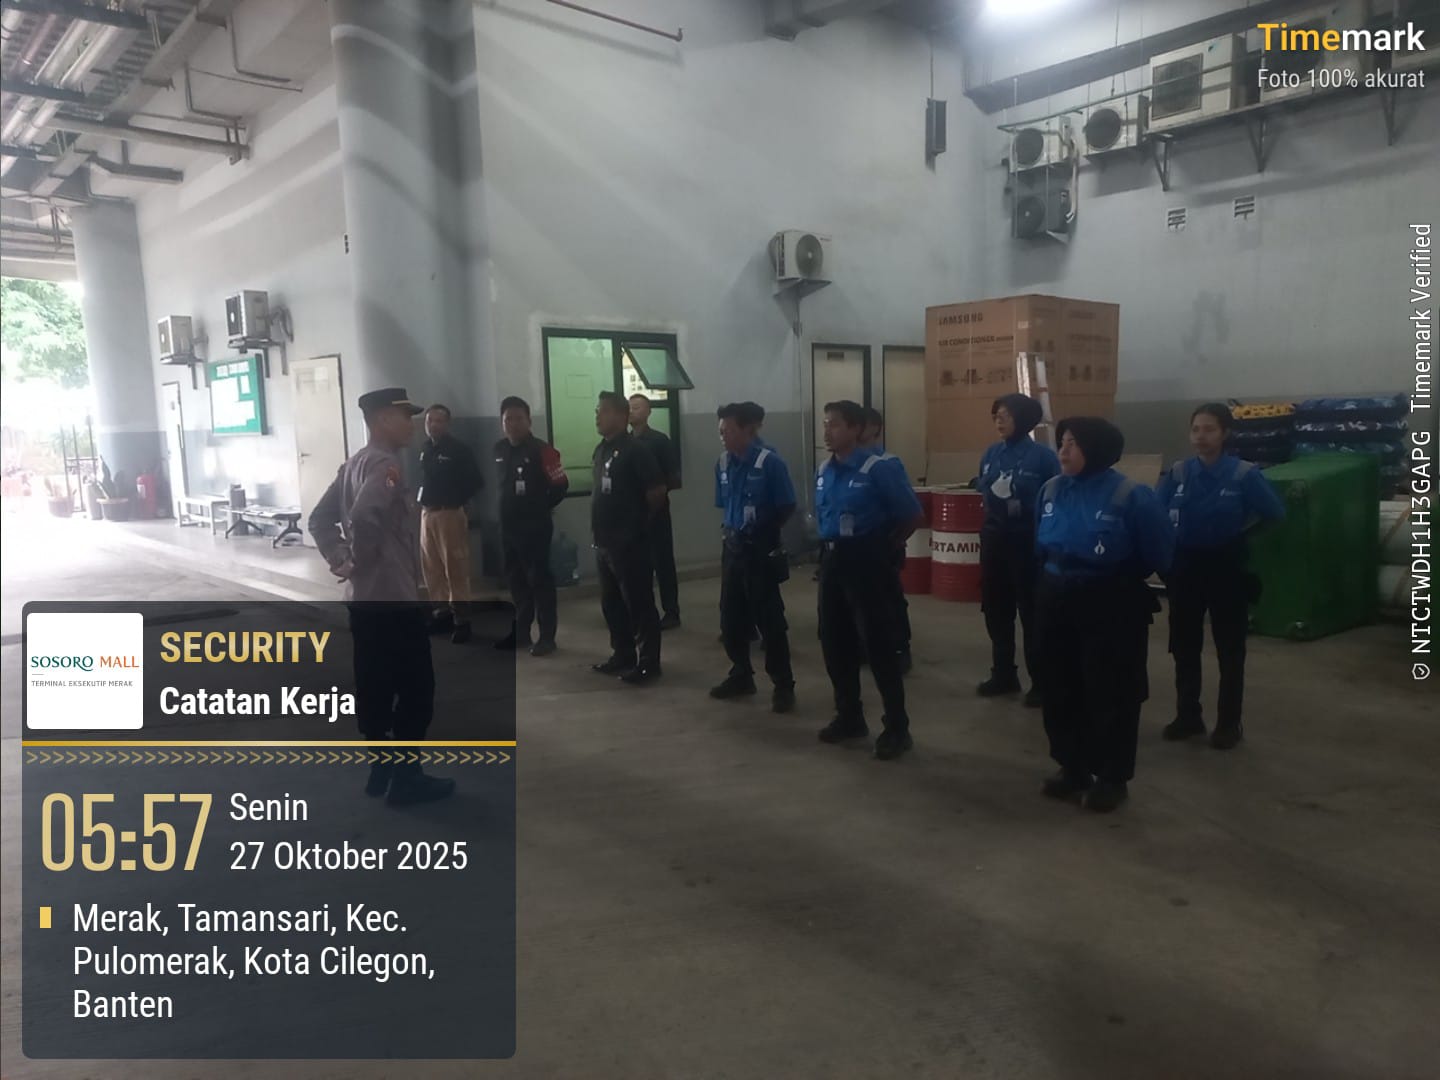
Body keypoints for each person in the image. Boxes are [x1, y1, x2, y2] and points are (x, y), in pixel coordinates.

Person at [309, 387, 455, 806]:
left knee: (374, 683)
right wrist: (360, 557)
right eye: (404, 416)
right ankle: (406, 778)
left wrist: (340, 557)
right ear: (382, 419)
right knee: (416, 688)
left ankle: (381, 765)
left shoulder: (353, 464)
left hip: (364, 601)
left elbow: (319, 519)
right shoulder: (386, 466)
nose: (411, 425)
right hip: (392, 598)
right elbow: (364, 515)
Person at [1033, 417, 1173, 812]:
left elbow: (1160, 553)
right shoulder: (1050, 490)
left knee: (1111, 690)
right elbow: (1038, 545)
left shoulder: (1132, 495)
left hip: (1110, 601)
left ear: (1097, 448)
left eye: (1073, 443)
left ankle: (1112, 777)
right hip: (1056, 595)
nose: (1063, 451)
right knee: (1059, 685)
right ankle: (1072, 766)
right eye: (1062, 442)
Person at [1157, 403, 1286, 749]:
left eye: (1209, 429)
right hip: (1185, 568)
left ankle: (1229, 723)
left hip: (1227, 568)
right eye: (1196, 429)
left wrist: (1241, 538)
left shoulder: (1243, 475)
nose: (1201, 436)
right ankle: (1188, 715)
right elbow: (1156, 514)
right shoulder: (1179, 473)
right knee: (1184, 645)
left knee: (1230, 648)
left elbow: (1274, 513)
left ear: (1225, 433)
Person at [813, 400, 926, 760]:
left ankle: (897, 727)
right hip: (833, 560)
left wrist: (885, 547)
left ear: (856, 429)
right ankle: (849, 716)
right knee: (835, 640)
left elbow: (911, 515)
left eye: (835, 424)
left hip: (868, 561)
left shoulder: (878, 469)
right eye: (825, 424)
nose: (827, 430)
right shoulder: (824, 470)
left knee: (877, 644)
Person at [709, 401, 797, 713]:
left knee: (769, 620)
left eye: (728, 431)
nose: (723, 436)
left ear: (749, 429)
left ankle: (783, 684)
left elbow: (786, 505)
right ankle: (741, 674)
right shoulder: (723, 463)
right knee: (730, 617)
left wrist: (764, 533)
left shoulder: (770, 463)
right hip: (733, 548)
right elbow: (725, 503)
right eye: (720, 431)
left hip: (759, 550)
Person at [975, 393, 1060, 706]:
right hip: (994, 540)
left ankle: (1041, 682)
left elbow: (1055, 500)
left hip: (1027, 542)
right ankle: (1003, 674)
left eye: (1006, 415)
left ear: (1024, 419)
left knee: (1031, 612)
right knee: (996, 609)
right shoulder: (991, 453)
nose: (999, 420)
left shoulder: (1043, 458)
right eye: (996, 415)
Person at [592, 391, 667, 684]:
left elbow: (656, 492)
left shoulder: (636, 450)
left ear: (620, 416)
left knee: (639, 604)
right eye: (597, 411)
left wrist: (635, 527)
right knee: (612, 604)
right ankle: (622, 654)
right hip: (604, 543)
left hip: (630, 544)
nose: (597, 416)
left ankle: (649, 663)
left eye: (603, 411)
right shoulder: (601, 450)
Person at [494, 395, 569, 656]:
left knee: (540, 581)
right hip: (508, 529)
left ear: (529, 421)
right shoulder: (499, 449)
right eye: (508, 419)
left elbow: (560, 486)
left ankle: (547, 636)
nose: (513, 424)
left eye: (518, 419)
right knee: (516, 582)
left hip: (534, 529)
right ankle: (522, 632)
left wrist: (539, 507)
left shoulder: (542, 450)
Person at [418, 404, 483, 644]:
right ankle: (441, 614)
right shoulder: (425, 448)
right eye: (429, 421)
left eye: (438, 421)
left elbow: (476, 481)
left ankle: (462, 620)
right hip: (427, 514)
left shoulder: (459, 450)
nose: (433, 425)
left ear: (447, 424)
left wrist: (457, 499)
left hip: (449, 514)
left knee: (455, 568)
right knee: (431, 568)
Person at [855, 406, 914, 673]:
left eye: (862, 425)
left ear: (875, 429)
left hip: (883, 542)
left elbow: (907, 509)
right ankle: (864, 646)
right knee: (859, 600)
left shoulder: (887, 463)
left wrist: (895, 540)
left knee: (889, 597)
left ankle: (900, 648)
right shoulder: (846, 463)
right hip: (853, 546)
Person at [629, 393, 683, 630]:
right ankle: (642, 611)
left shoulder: (659, 441)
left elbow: (674, 477)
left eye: (637, 407)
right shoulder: (625, 442)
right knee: (637, 565)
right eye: (629, 407)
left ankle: (671, 611)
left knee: (662, 562)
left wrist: (654, 493)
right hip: (632, 515)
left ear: (649, 411)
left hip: (656, 511)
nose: (632, 411)